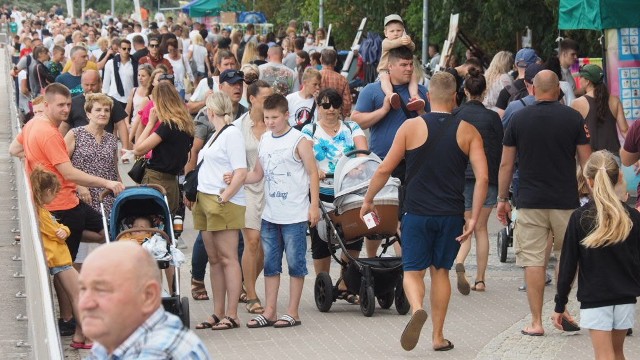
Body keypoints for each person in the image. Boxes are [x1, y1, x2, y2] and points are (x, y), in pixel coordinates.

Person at [359, 71, 488, 352]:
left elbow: (384, 168)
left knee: (412, 271)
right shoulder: (468, 130)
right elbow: (483, 178)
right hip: (451, 214)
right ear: (456, 97)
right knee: (440, 272)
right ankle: (438, 337)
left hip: (416, 212)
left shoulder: (410, 127)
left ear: (429, 97)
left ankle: (417, 307)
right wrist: (474, 216)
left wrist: (368, 199)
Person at [9, 83, 124, 336]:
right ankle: (68, 320)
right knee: (65, 267)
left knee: (107, 232)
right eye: (60, 105)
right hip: (60, 205)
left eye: (68, 105)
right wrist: (107, 182)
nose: (66, 109)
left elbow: (14, 149)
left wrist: (36, 163)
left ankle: (72, 319)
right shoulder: (49, 133)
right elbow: (68, 172)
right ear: (46, 104)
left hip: (70, 203)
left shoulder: (33, 125)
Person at [497, 70, 591, 336]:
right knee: (568, 256)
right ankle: (560, 309)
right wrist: (596, 198)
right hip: (566, 201)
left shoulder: (518, 118)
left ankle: (536, 322)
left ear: (534, 90)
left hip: (529, 201)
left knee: (534, 262)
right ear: (558, 91)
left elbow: (506, 163)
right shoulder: (573, 118)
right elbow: (588, 163)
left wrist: (503, 199)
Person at [552, 150, 640, 360]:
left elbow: (568, 265)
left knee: (603, 354)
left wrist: (560, 303)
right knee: (617, 353)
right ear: (619, 176)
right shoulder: (633, 217)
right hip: (626, 296)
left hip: (596, 296)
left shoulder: (581, 218)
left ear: (588, 181)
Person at [243, 94, 319, 329]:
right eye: (266, 117)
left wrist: (313, 205)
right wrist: (236, 179)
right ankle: (270, 310)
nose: (270, 121)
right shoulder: (265, 139)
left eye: (275, 117)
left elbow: (313, 172)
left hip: (295, 215)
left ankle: (293, 312)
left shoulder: (300, 140)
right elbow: (258, 173)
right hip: (270, 214)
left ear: (287, 115)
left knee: (296, 264)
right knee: (271, 264)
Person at [79, 242, 211, 359]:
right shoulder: (111, 339)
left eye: (102, 290)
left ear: (148, 295)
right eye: (82, 289)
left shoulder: (161, 352)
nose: (85, 303)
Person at [301, 88, 368, 303]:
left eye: (335, 105)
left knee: (353, 237)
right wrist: (314, 169)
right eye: (325, 105)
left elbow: (362, 152)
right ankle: (324, 281)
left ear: (341, 107)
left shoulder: (351, 127)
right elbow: (304, 155)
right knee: (321, 240)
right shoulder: (309, 130)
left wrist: (358, 164)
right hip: (321, 193)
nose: (330, 110)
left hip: (348, 191)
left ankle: (346, 283)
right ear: (318, 107)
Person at [190, 92, 247, 331]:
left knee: (228, 258)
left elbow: (241, 171)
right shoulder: (216, 135)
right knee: (214, 260)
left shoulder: (232, 133)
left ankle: (232, 314)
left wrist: (225, 195)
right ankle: (218, 311)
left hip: (222, 200)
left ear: (210, 111)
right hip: (205, 198)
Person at [452, 69, 503, 295]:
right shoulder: (493, 118)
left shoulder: (456, 115)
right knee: (481, 227)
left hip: (462, 177)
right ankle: (480, 279)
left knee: (466, 226)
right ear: (484, 92)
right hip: (488, 177)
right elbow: (500, 151)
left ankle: (460, 259)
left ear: (464, 91)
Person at [30, 167, 90, 349]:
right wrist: (65, 229)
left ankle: (80, 336)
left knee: (77, 296)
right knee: (79, 296)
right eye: (54, 194)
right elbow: (58, 231)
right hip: (60, 260)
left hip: (58, 259)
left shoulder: (38, 210)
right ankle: (89, 337)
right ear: (47, 191)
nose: (54, 198)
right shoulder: (41, 212)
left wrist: (63, 229)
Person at [64, 93, 120, 264]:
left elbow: (114, 169)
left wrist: (120, 190)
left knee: (109, 244)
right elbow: (61, 165)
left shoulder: (111, 139)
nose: (102, 113)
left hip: (106, 197)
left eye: (106, 110)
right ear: (88, 114)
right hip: (81, 196)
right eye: (98, 110)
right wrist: (79, 186)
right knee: (79, 253)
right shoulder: (75, 134)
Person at [233, 81, 274, 314]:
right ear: (252, 99)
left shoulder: (276, 124)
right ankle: (251, 295)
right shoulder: (238, 126)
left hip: (273, 190)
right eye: (265, 97)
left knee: (265, 248)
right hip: (246, 189)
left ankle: (246, 283)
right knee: (252, 241)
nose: (269, 101)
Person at [132, 81, 194, 215]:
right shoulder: (186, 125)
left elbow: (138, 149)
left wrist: (150, 124)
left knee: (151, 219)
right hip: (172, 180)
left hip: (156, 179)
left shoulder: (167, 125)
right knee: (168, 222)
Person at [59, 70, 131, 151]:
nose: (90, 88)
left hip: (105, 148)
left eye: (93, 85)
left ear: (100, 83)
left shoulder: (110, 101)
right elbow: (64, 126)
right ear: (81, 84)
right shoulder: (73, 103)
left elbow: (121, 124)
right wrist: (59, 148)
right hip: (79, 150)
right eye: (86, 85)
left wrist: (125, 148)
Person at [572, 64, 628, 160]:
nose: (579, 80)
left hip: (590, 159)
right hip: (613, 158)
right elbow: (625, 130)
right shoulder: (615, 100)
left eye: (581, 77)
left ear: (587, 81)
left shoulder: (577, 103)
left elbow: (572, 133)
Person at [378, 14, 424, 112]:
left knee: (413, 76)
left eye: (398, 31)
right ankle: (390, 95)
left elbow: (413, 47)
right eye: (392, 31)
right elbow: (393, 44)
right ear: (385, 33)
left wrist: (410, 42)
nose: (395, 33)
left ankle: (415, 97)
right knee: (384, 78)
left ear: (403, 31)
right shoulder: (385, 42)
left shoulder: (405, 40)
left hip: (402, 70)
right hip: (385, 69)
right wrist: (403, 40)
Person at [495, 48, 539, 117]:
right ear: (535, 64)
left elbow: (501, 120)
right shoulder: (545, 85)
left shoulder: (507, 91)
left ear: (516, 64)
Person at [101, 39, 137, 109]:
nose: (126, 51)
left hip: (129, 99)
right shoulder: (110, 63)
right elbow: (106, 84)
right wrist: (104, 99)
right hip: (113, 98)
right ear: (119, 49)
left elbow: (138, 83)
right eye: (124, 49)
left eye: (129, 49)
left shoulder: (135, 64)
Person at [319, 48, 352, 118]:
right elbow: (347, 102)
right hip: (336, 116)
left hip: (319, 116)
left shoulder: (316, 76)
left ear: (321, 60)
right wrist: (342, 115)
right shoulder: (342, 79)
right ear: (335, 62)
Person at [125, 64, 153, 144]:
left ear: (150, 77)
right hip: (132, 127)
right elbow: (127, 111)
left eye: (143, 76)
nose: (140, 78)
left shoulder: (153, 94)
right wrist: (127, 124)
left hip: (145, 128)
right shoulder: (134, 90)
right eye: (139, 75)